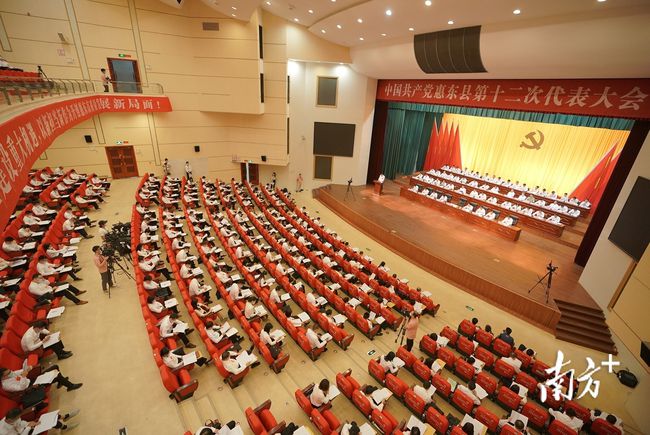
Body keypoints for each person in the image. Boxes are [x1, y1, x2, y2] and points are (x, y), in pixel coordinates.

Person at [0, 407, 80, 433]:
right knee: (48, 423)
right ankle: (65, 427)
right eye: (18, 417)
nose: (19, 418)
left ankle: (65, 417)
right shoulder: (4, 431)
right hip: (25, 433)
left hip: (26, 428)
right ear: (10, 420)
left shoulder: (11, 418)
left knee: (47, 417)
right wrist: (29, 428)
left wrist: (28, 423)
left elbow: (20, 423)